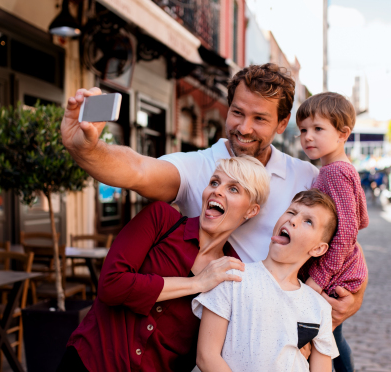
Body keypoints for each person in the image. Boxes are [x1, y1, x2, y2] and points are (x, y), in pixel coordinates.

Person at [61, 63, 367, 368]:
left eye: (259, 118)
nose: (244, 128)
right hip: (223, 341)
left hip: (292, 335)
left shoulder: (306, 176)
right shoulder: (201, 166)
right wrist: (88, 149)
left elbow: (344, 240)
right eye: (237, 113)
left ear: (282, 122)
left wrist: (355, 295)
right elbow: (138, 170)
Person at [59, 156, 270, 372]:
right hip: (90, 362)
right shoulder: (161, 219)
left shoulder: (231, 274)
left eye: (233, 189)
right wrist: (197, 284)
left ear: (251, 211)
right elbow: (111, 286)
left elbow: (210, 348)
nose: (217, 191)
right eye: (214, 182)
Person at [193, 190, 340, 372]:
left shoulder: (319, 307)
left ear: (318, 248)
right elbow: (207, 356)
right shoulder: (232, 278)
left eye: (308, 221)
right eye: (291, 212)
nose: (292, 220)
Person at [296, 92, 369, 371]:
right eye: (303, 130)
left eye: (318, 129)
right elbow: (361, 218)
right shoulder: (334, 169)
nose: (308, 137)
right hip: (336, 267)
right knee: (328, 337)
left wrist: (318, 277)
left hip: (332, 272)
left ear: (343, 134)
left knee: (326, 341)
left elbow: (349, 229)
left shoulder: (335, 172)